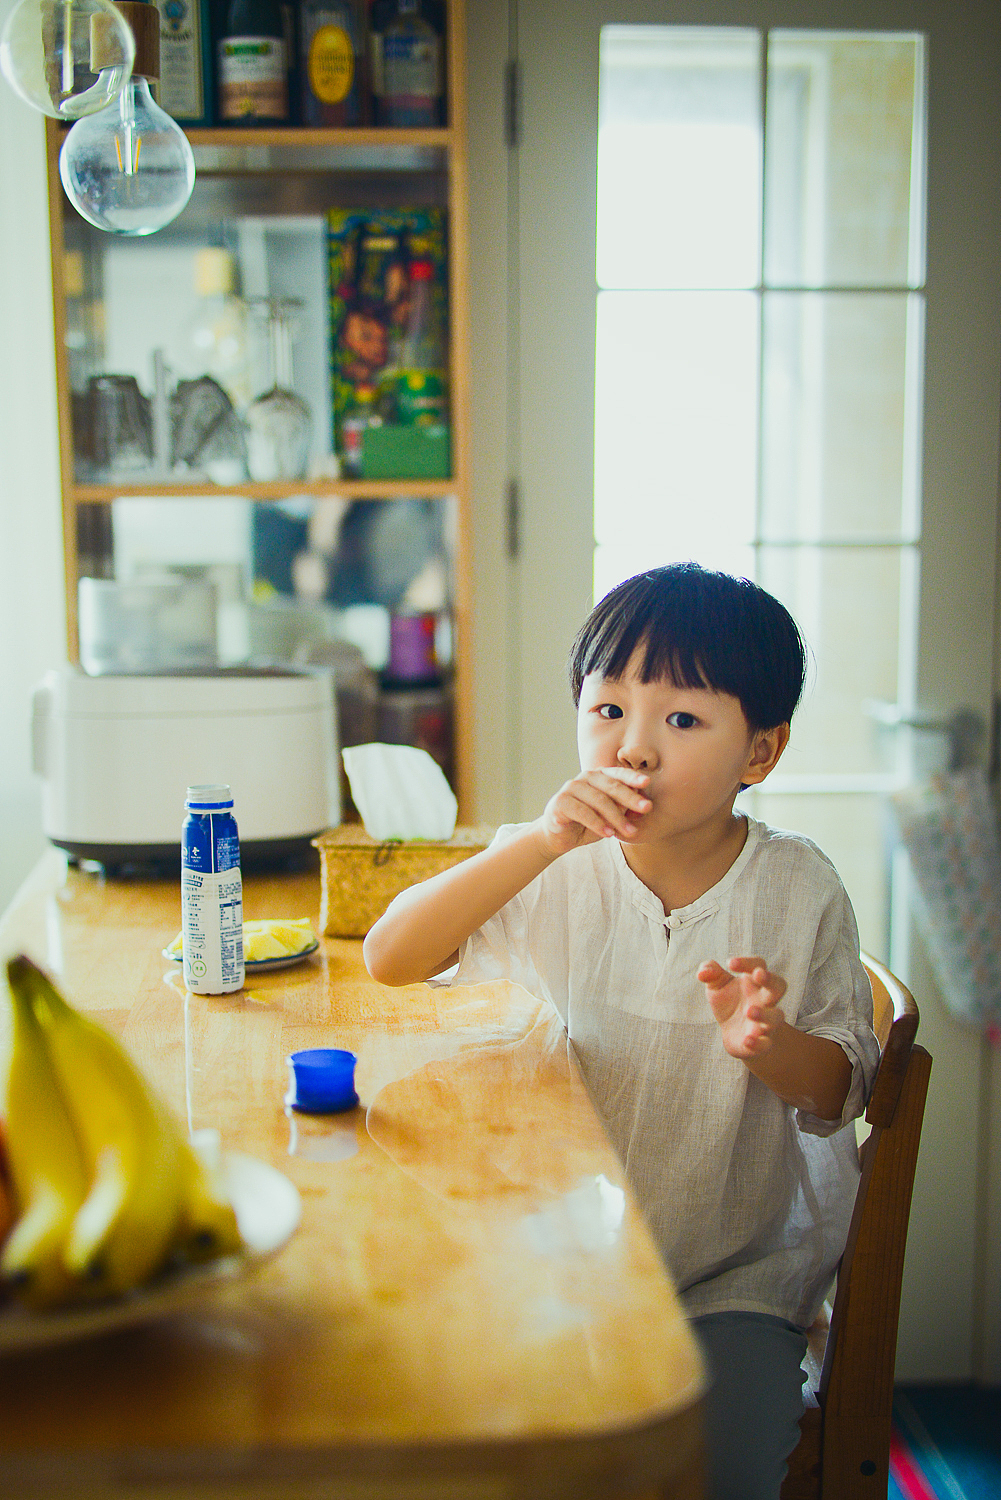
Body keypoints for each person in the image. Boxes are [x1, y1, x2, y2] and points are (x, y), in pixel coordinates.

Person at [364, 562, 880, 1500]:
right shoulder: (561, 862)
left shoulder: (798, 887)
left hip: (734, 1283)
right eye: (607, 710)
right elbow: (391, 956)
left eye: (681, 720)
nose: (633, 749)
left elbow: (838, 1092)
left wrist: (768, 1043)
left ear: (757, 754)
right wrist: (535, 842)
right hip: (566, 1260)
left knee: (710, 1476)